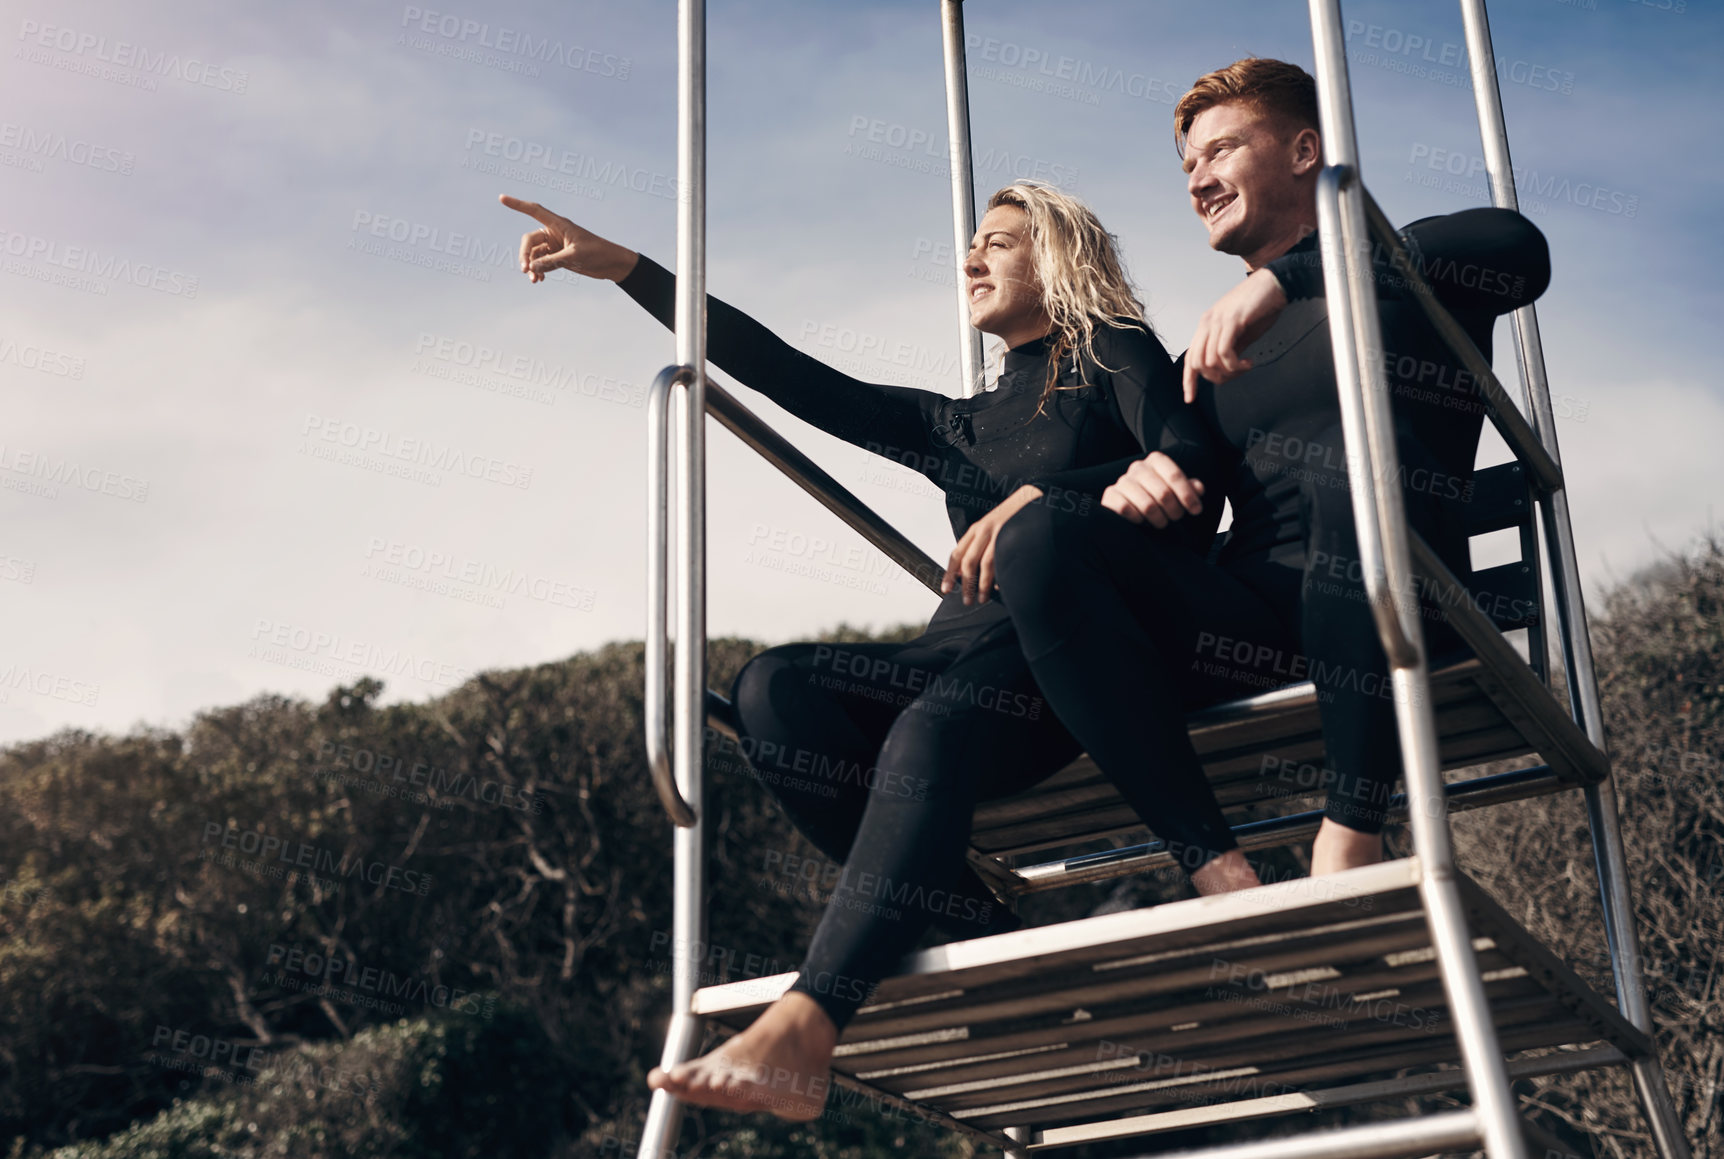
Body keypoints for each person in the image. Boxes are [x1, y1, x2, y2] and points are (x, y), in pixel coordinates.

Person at [502, 182, 1263, 1120]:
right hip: (951, 652)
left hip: (1064, 656)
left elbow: (1187, 465)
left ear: (1059, 257)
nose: (972, 260)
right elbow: (787, 373)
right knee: (772, 687)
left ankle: (807, 1023)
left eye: (999, 243)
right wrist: (626, 269)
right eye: (971, 247)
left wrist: (1050, 501)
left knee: (928, 732)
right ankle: (977, 930)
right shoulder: (957, 424)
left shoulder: (1114, 353)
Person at [988, 58, 1551, 877]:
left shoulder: (1408, 277)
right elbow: (1177, 492)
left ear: (1302, 151)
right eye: (1188, 167)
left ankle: (1351, 832)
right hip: (1250, 625)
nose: (1198, 179)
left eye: (1219, 151)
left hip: (1400, 591)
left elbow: (1518, 246)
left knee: (1343, 464)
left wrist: (1285, 283)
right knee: (1041, 537)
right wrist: (1068, 493)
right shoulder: (1206, 360)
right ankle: (1215, 866)